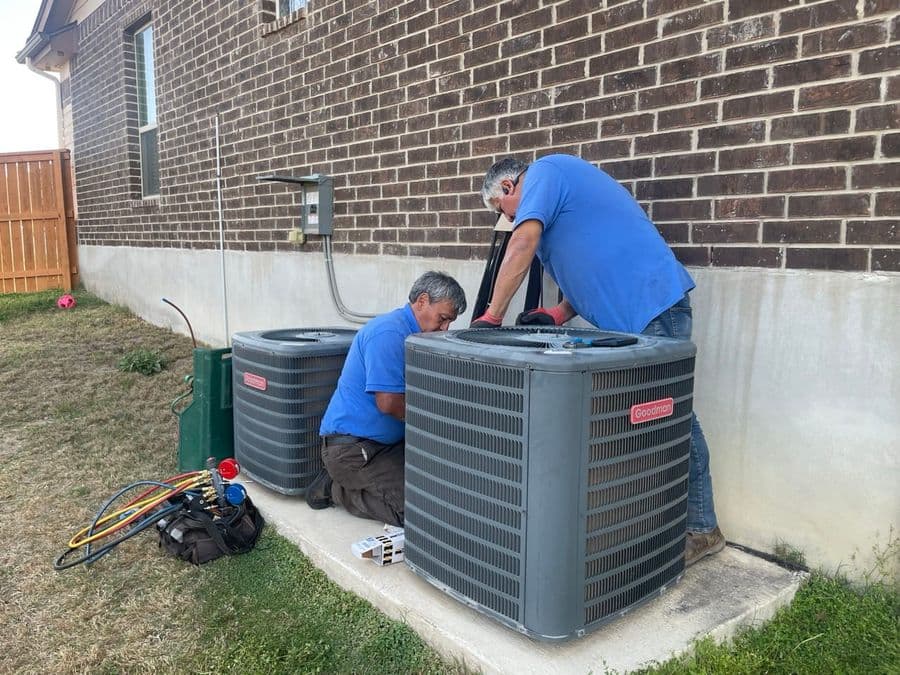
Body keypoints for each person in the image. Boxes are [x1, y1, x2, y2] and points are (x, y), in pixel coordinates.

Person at [472, 154, 725, 567]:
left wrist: (491, 316)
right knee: (643, 422)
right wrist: (556, 314)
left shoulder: (545, 174)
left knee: (671, 419)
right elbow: (595, 266)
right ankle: (649, 521)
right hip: (634, 321)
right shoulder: (560, 195)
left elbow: (521, 242)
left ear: (507, 188)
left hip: (653, 309)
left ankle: (702, 528)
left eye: (504, 213)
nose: (509, 221)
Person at [307, 271, 467, 526]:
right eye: (443, 318)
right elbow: (389, 403)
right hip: (353, 449)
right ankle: (337, 490)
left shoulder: (417, 337)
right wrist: (434, 424)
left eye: (450, 322)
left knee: (440, 490)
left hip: (388, 446)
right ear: (422, 301)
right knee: (419, 515)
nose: (445, 328)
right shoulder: (389, 334)